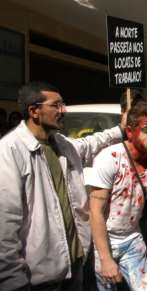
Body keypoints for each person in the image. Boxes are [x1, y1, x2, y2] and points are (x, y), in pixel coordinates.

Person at [0, 82, 125, 291]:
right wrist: (13, 280)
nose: (63, 110)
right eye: (56, 105)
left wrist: (120, 130)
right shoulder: (10, 152)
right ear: (34, 111)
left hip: (74, 266)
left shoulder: (61, 144)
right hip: (38, 279)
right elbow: (5, 222)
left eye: (63, 104)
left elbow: (88, 144)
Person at [87, 101, 147, 291]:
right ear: (129, 132)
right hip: (104, 241)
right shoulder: (110, 158)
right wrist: (105, 258)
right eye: (146, 129)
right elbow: (96, 212)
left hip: (133, 240)